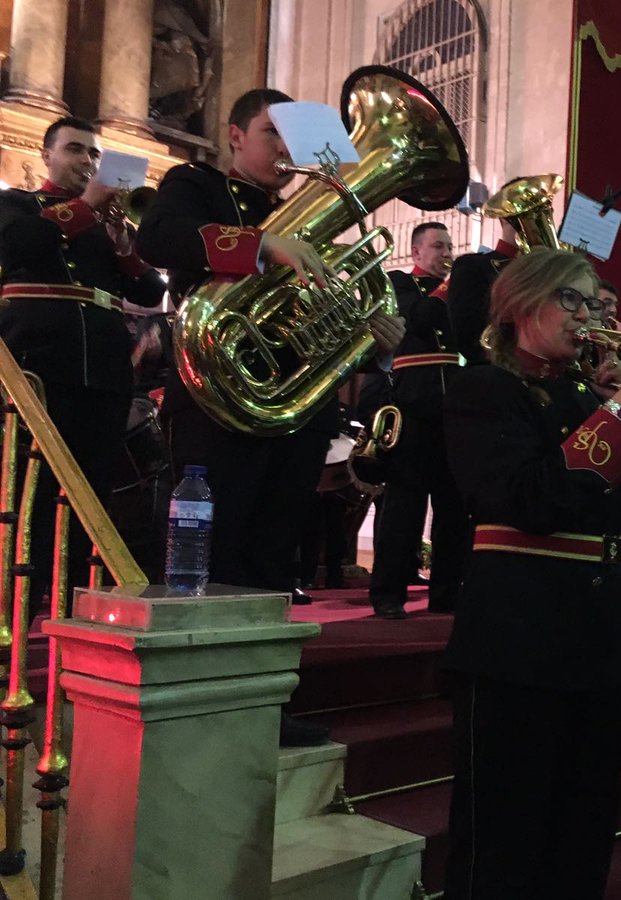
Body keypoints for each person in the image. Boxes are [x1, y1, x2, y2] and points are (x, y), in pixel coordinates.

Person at [136, 87, 405, 745]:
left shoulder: (297, 211)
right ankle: (200, 705)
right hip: (218, 400)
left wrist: (368, 327)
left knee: (273, 555)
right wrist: (261, 246)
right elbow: (158, 237)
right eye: (270, 134)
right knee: (217, 550)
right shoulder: (194, 183)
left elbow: (321, 308)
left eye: (292, 139)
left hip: (293, 406)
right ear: (234, 135)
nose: (284, 151)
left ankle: (262, 708)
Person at [441, 248, 621, 899]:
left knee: (583, 834)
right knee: (503, 843)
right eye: (571, 299)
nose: (588, 315)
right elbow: (530, 499)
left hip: (596, 646)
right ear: (521, 305)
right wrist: (617, 416)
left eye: (593, 301)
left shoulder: (584, 395)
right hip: (517, 644)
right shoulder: (482, 390)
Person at [0, 116, 165, 615]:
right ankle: (15, 601)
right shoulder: (16, 204)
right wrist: (87, 207)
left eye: (95, 155)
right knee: (33, 487)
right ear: (47, 155)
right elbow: (19, 247)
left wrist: (124, 246)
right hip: (40, 363)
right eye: (76, 150)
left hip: (105, 371)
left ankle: (68, 600)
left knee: (91, 489)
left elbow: (150, 293)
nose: (89, 162)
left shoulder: (107, 225)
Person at [367, 222, 470, 617]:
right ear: (416, 252)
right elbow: (419, 320)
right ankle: (388, 593)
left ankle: (447, 592)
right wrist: (451, 287)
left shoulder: (457, 293)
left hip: (456, 405)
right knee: (404, 508)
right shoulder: (398, 283)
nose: (447, 252)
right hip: (414, 400)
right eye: (438, 246)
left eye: (449, 246)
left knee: (453, 508)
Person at [445, 216, 520, 365]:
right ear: (504, 218)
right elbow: (469, 340)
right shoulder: (474, 266)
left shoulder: (550, 269)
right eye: (517, 219)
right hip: (498, 371)